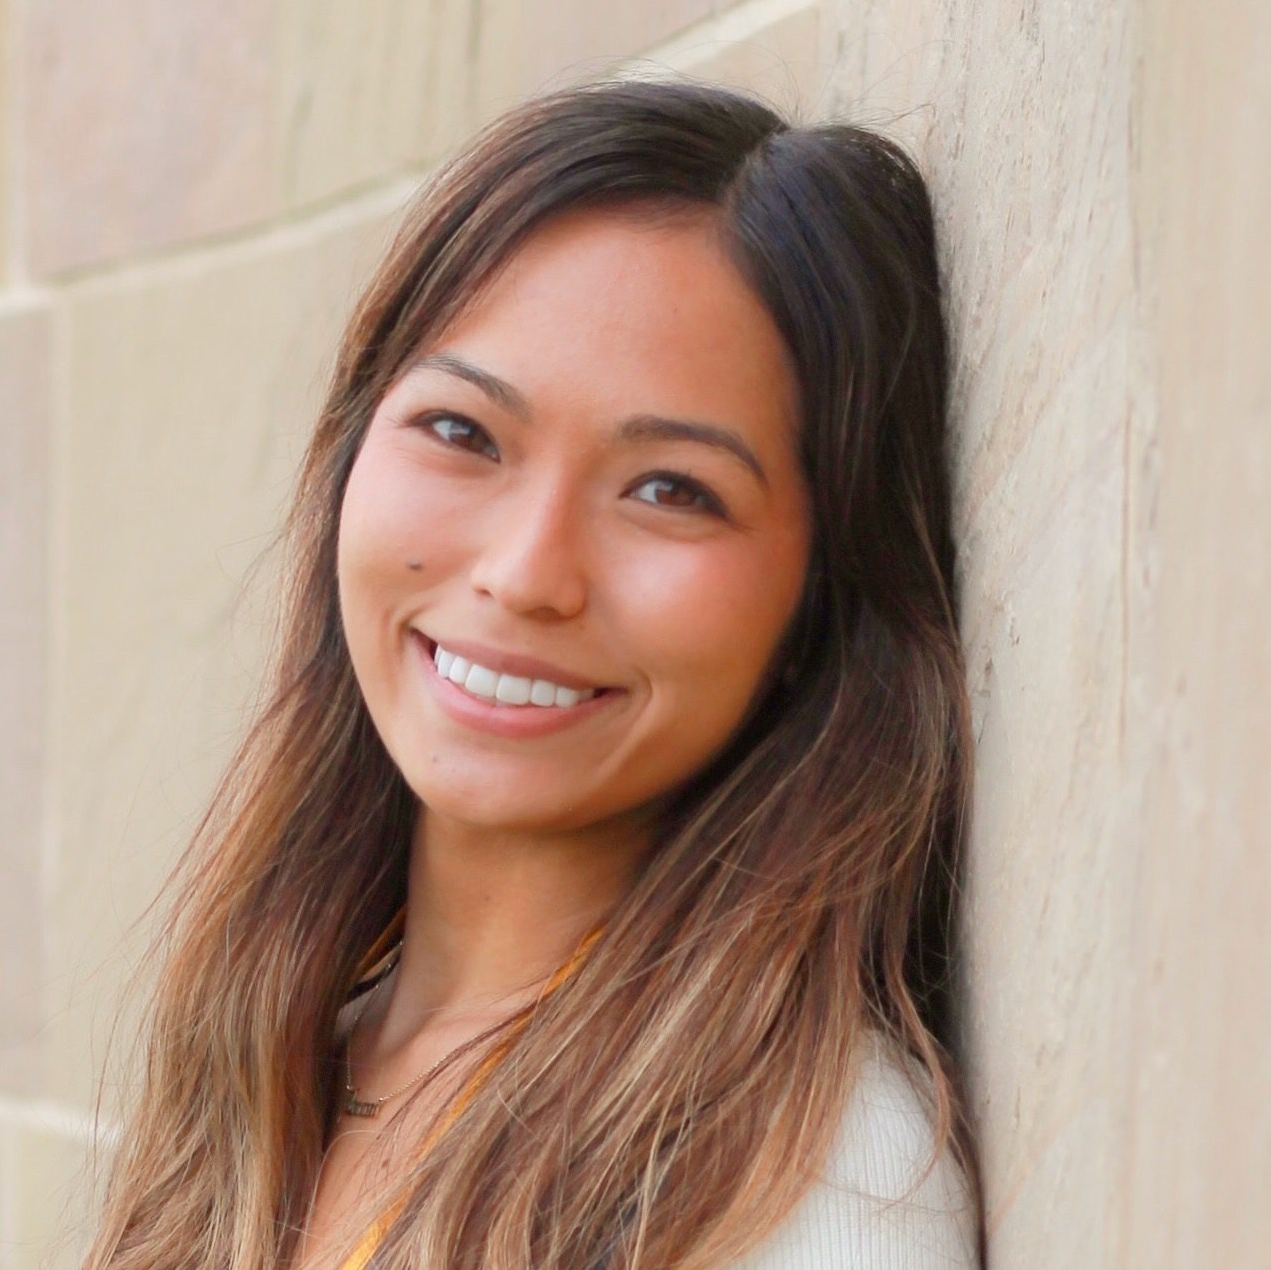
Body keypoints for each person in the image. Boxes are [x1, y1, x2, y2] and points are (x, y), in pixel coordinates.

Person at [78, 75, 983, 1269]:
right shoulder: (289, 1050)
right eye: (462, 432)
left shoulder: (811, 1178)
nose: (524, 572)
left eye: (671, 490)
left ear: (821, 597)